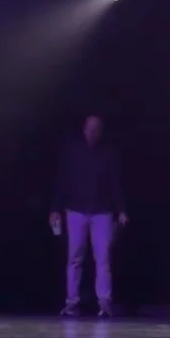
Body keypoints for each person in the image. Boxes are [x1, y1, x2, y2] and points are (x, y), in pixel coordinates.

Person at [50, 115, 127, 318]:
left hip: (102, 212)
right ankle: (72, 302)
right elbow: (62, 180)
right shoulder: (73, 151)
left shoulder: (108, 153)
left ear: (101, 131)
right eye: (90, 128)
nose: (93, 133)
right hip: (75, 210)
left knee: (103, 259)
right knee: (74, 258)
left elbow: (114, 183)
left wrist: (121, 210)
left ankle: (104, 303)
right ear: (84, 129)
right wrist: (55, 208)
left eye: (96, 129)